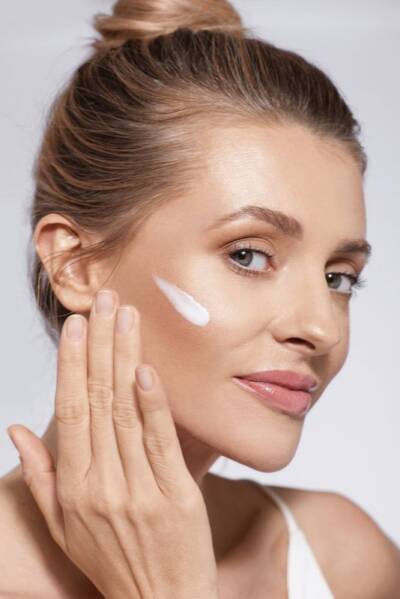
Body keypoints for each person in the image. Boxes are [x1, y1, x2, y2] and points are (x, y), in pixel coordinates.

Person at [1, 0, 399, 597]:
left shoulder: (344, 560)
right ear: (77, 264)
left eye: (338, 277)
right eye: (248, 255)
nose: (323, 328)